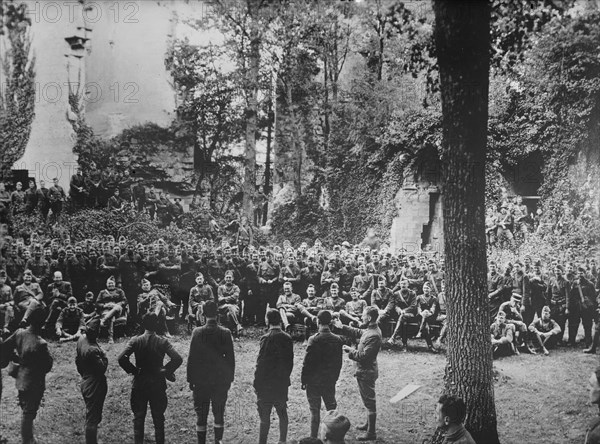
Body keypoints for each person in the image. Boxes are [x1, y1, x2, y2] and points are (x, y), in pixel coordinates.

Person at [118, 313, 183, 444]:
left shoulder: (135, 340)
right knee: (159, 418)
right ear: (157, 324)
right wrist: (165, 370)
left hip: (139, 383)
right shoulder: (162, 341)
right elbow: (177, 358)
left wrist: (134, 370)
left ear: (143, 324)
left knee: (138, 417)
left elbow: (121, 358)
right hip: (157, 384)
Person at [1, 303, 53, 444]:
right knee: (29, 413)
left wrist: (15, 357)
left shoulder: (19, 333)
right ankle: (27, 440)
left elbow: (5, 347)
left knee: (26, 409)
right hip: (34, 382)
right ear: (42, 323)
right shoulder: (41, 343)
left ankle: (29, 437)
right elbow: (47, 365)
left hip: (21, 378)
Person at [187, 300, 235, 444]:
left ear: (203, 313)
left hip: (201, 381)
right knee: (218, 413)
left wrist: (191, 379)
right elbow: (230, 360)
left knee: (201, 416)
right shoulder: (225, 333)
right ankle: (218, 441)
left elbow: (192, 358)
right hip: (220, 381)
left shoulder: (197, 332)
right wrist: (229, 379)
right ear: (218, 313)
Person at [333, 306, 382, 441]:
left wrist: (350, 351)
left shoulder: (374, 335)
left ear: (370, 318)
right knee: (367, 401)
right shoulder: (371, 330)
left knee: (370, 402)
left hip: (366, 372)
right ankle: (368, 424)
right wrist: (342, 327)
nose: (361, 317)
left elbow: (364, 356)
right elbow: (359, 332)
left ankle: (371, 433)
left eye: (364, 315)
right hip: (365, 371)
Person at [254, 308, 294, 444]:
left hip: (266, 385)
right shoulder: (287, 338)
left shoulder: (266, 338)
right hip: (281, 383)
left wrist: (257, 383)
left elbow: (261, 364)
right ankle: (282, 441)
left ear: (267, 320)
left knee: (264, 417)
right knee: (282, 412)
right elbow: (290, 363)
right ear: (280, 320)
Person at [301, 310, 343, 438]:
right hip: (329, 380)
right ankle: (334, 436)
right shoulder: (337, 339)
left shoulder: (313, 339)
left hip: (313, 381)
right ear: (330, 322)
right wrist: (334, 378)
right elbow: (338, 363)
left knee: (315, 411)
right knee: (331, 408)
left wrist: (304, 380)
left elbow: (307, 363)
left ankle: (314, 438)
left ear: (318, 321)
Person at [76, 319, 108, 444]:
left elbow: (77, 360)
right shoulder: (93, 350)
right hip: (94, 384)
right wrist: (104, 355)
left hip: (86, 379)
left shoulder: (81, 340)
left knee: (92, 415)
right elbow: (102, 368)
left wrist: (84, 374)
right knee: (92, 419)